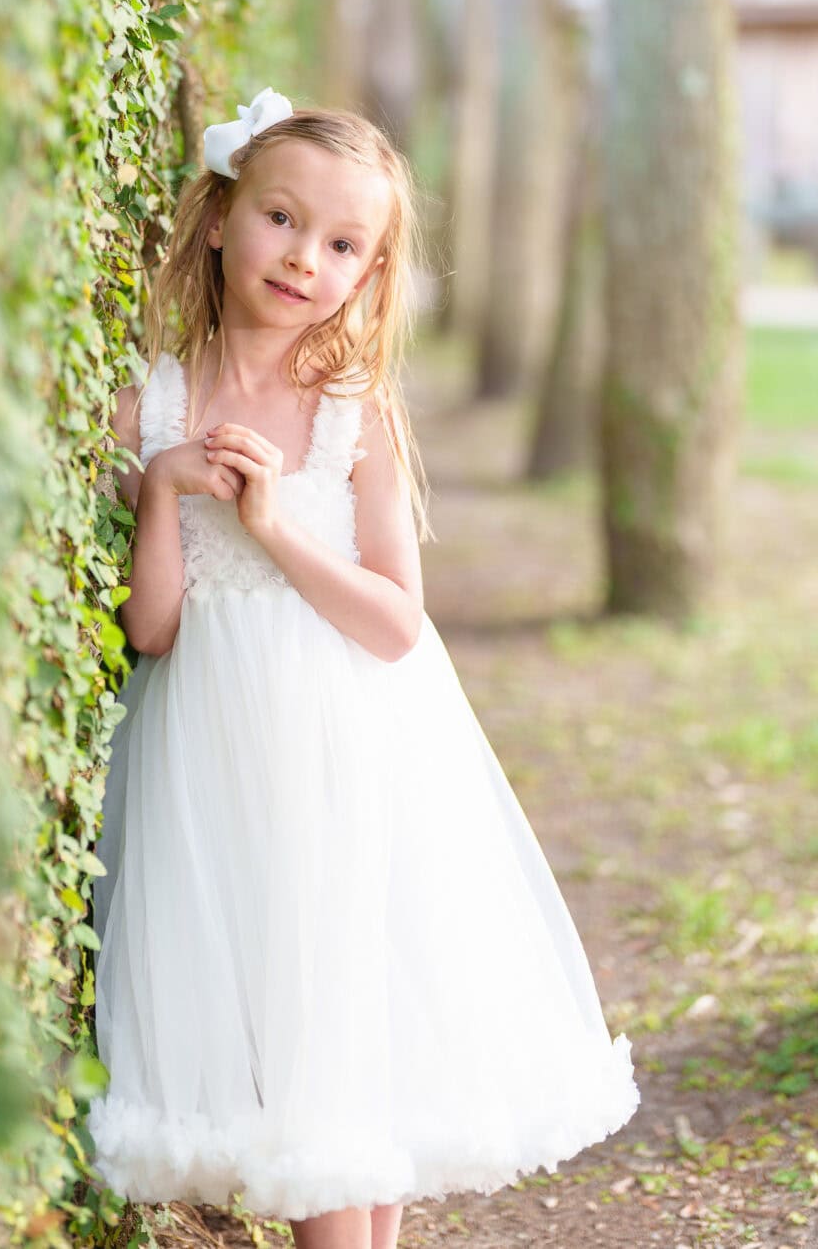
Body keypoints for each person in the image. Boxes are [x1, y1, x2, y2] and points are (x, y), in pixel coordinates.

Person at [88, 87, 640, 1249]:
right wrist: (170, 490)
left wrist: (276, 526)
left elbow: (394, 620)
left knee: (354, 1057)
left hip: (354, 749)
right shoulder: (155, 403)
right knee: (310, 1067)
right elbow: (151, 630)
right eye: (284, 220)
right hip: (220, 764)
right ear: (225, 216)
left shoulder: (353, 412)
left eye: (344, 245)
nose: (305, 258)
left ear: (371, 274)